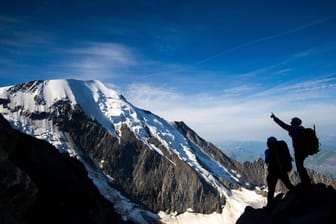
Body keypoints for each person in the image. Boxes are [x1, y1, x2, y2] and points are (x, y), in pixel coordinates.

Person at [270, 113, 311, 186]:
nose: (290, 122)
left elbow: (283, 125)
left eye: (292, 121)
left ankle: (306, 183)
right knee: (301, 167)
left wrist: (275, 118)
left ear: (295, 123)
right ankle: (306, 182)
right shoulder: (301, 129)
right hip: (304, 151)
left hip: (299, 151)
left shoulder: (294, 129)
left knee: (299, 167)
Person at [265, 137, 294, 209]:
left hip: (273, 172)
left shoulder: (268, 151)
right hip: (282, 170)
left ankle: (269, 205)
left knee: (271, 190)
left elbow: (267, 161)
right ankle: (296, 194)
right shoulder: (281, 149)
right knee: (288, 184)